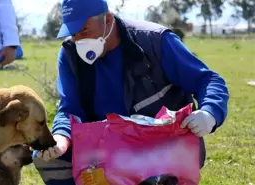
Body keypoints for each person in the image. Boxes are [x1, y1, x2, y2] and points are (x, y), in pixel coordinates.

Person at [32, 0, 230, 184]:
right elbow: (70, 108)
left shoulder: (154, 41)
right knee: (50, 159)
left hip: (160, 143)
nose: (78, 40)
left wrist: (209, 113)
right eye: (73, 33)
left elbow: (208, 79)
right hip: (106, 146)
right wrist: (61, 137)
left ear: (108, 19)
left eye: (84, 30)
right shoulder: (70, 55)